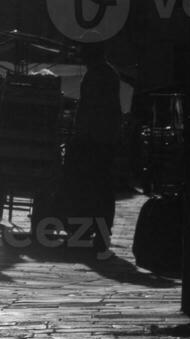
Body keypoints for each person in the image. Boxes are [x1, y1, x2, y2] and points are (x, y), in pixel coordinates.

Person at [64, 41, 121, 256]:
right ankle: (98, 233)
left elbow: (90, 110)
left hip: (94, 140)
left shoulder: (98, 75)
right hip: (103, 139)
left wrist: (80, 134)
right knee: (101, 188)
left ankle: (90, 232)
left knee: (91, 187)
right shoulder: (108, 74)